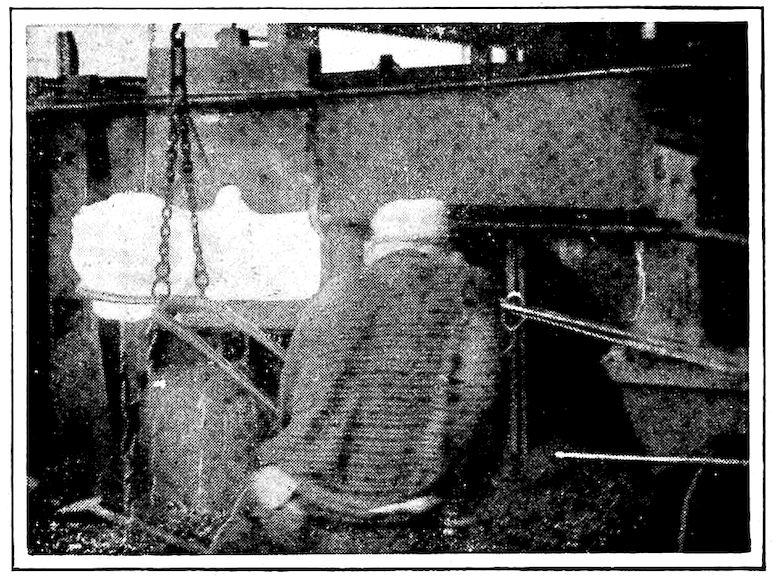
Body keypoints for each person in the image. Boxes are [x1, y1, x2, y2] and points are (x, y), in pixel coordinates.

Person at [212, 198, 501, 553]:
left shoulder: (334, 295)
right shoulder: (467, 297)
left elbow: (290, 397)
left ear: (371, 248)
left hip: (301, 503)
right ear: (445, 246)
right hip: (404, 510)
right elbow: (476, 398)